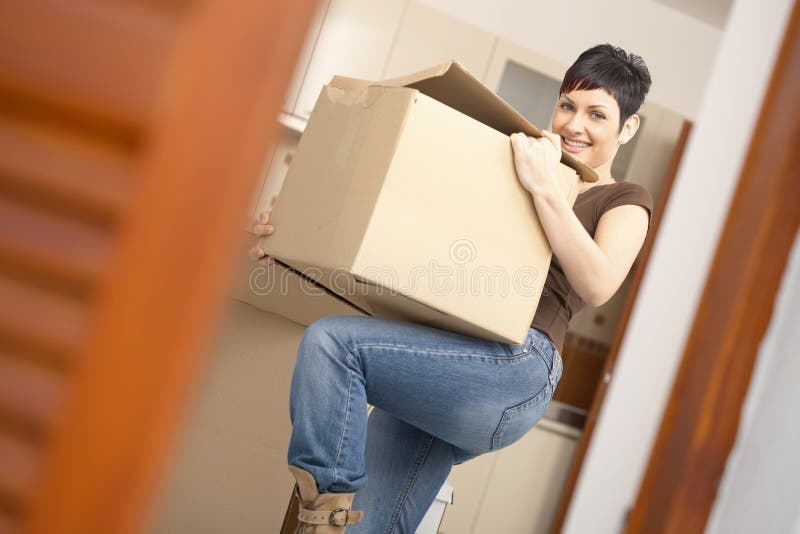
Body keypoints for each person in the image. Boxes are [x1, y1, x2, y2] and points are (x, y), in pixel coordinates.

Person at [249, 43, 654, 533]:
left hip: (517, 366)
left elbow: (598, 284)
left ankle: (319, 518)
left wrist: (546, 187)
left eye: (597, 114)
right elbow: (412, 231)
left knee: (334, 345)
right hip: (450, 356)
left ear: (627, 127)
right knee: (370, 526)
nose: (574, 124)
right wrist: (296, 242)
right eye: (567, 105)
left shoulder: (623, 198)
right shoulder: (515, 159)